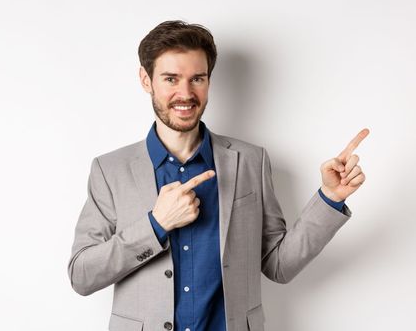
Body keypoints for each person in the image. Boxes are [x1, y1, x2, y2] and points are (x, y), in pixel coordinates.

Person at [66, 20, 368, 331]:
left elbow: (279, 266)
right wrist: (156, 224)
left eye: (197, 78)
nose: (185, 93)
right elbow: (82, 275)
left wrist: (331, 198)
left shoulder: (250, 160)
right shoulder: (110, 170)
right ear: (146, 80)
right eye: (171, 79)